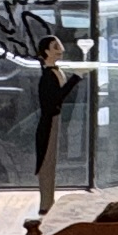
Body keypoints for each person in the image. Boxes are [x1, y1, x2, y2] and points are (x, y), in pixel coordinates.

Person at [33, 34, 77, 214]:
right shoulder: (47, 77)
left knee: (51, 161)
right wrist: (76, 78)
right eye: (55, 47)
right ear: (46, 52)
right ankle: (45, 203)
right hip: (49, 121)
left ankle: (49, 201)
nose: (61, 50)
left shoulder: (56, 72)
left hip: (55, 119)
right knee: (47, 162)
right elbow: (55, 98)